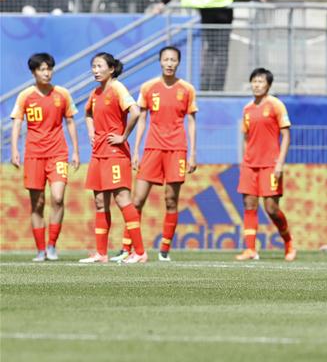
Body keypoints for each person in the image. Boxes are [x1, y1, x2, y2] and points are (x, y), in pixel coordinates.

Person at [9, 53, 79, 262]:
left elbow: (71, 121)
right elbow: (17, 123)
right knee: (37, 203)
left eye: (49, 69)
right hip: (34, 154)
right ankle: (40, 250)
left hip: (58, 153)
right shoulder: (25, 96)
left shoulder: (62, 94)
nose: (46, 73)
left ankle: (52, 246)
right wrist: (14, 150)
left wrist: (75, 150)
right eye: (41, 69)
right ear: (33, 72)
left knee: (57, 198)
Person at [131, 47, 198, 261]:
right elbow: (141, 119)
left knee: (170, 200)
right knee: (137, 199)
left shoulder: (187, 89)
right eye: (166, 59)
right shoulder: (149, 87)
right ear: (160, 62)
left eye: (173, 60)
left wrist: (192, 154)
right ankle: (129, 248)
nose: (169, 63)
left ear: (178, 63)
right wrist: (136, 150)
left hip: (177, 149)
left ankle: (164, 250)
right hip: (152, 148)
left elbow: (191, 121)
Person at [80, 53, 145, 264]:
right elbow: (87, 113)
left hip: (115, 152)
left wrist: (124, 136)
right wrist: (91, 132)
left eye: (99, 66)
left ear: (111, 69)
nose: (95, 70)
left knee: (122, 199)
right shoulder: (95, 93)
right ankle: (101, 254)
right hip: (98, 153)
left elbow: (135, 112)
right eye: (93, 66)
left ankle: (140, 252)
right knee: (100, 202)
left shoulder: (118, 88)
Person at [236, 68, 295, 261]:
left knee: (271, 208)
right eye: (254, 81)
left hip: (270, 164)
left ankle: (288, 242)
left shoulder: (276, 105)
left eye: (260, 81)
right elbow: (246, 137)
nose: (257, 85)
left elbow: (286, 135)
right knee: (249, 204)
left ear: (268, 85)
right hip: (250, 165)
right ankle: (250, 249)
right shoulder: (247, 109)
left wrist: (279, 164)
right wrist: (244, 160)